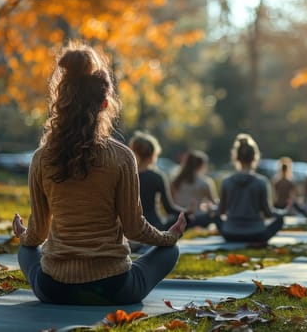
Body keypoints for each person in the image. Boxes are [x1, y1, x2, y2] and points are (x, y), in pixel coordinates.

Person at [12, 41, 186, 306]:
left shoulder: (41, 157)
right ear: (105, 104)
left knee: (26, 250)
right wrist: (168, 237)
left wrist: (22, 234)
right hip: (113, 287)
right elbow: (134, 227)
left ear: (61, 101)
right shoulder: (122, 156)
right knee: (170, 252)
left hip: (55, 288)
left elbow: (37, 234)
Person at [214, 133, 284, 245]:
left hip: (230, 233)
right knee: (280, 220)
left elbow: (220, 211)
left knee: (215, 218)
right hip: (256, 233)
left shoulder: (226, 182)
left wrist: (210, 210)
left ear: (235, 157)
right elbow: (267, 213)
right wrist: (282, 213)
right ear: (254, 157)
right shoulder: (261, 182)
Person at [129, 131, 187, 231]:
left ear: (133, 151)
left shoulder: (127, 175)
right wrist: (187, 212)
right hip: (154, 226)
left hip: (130, 227)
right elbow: (169, 209)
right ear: (153, 154)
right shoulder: (157, 177)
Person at [171, 150, 219, 215]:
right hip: (196, 217)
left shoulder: (176, 181)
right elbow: (214, 203)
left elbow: (172, 202)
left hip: (177, 216)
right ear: (202, 165)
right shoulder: (204, 182)